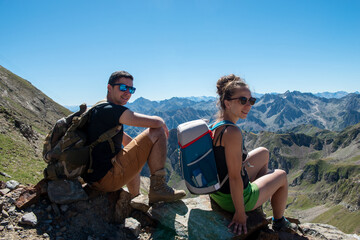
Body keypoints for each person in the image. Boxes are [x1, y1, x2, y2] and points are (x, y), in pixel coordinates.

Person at [209, 74, 296, 235]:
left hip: (218, 191)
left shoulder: (216, 125)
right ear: (227, 103)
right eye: (242, 100)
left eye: (251, 100)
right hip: (232, 198)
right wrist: (240, 214)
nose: (248, 105)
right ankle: (278, 222)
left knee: (263, 152)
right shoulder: (232, 132)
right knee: (282, 176)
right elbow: (235, 177)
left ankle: (259, 203)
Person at [83, 70, 186, 203]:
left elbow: (128, 142)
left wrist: (142, 154)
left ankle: (135, 198)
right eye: (123, 87)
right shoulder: (112, 110)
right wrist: (162, 122)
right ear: (109, 88)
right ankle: (158, 188)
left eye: (131, 89)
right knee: (157, 130)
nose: (127, 93)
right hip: (106, 179)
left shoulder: (99, 107)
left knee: (130, 151)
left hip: (94, 176)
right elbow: (155, 123)